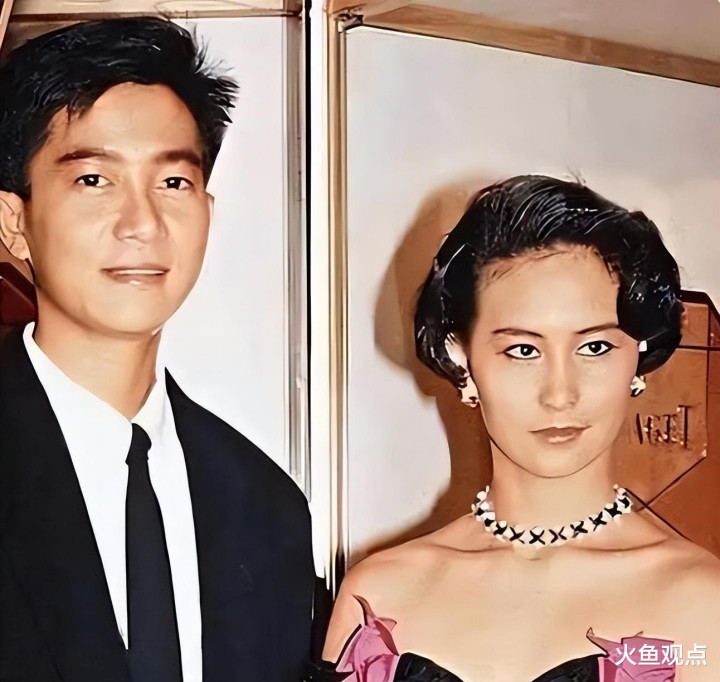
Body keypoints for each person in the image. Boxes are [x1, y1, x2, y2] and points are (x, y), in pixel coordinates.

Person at [0, 17, 314, 682]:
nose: (142, 223)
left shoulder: (266, 507)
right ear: (14, 220)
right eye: (94, 180)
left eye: (173, 183)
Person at [319, 176, 720, 681]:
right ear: (461, 359)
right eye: (523, 350)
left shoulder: (700, 604)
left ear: (638, 357)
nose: (560, 393)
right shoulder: (377, 597)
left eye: (594, 347)